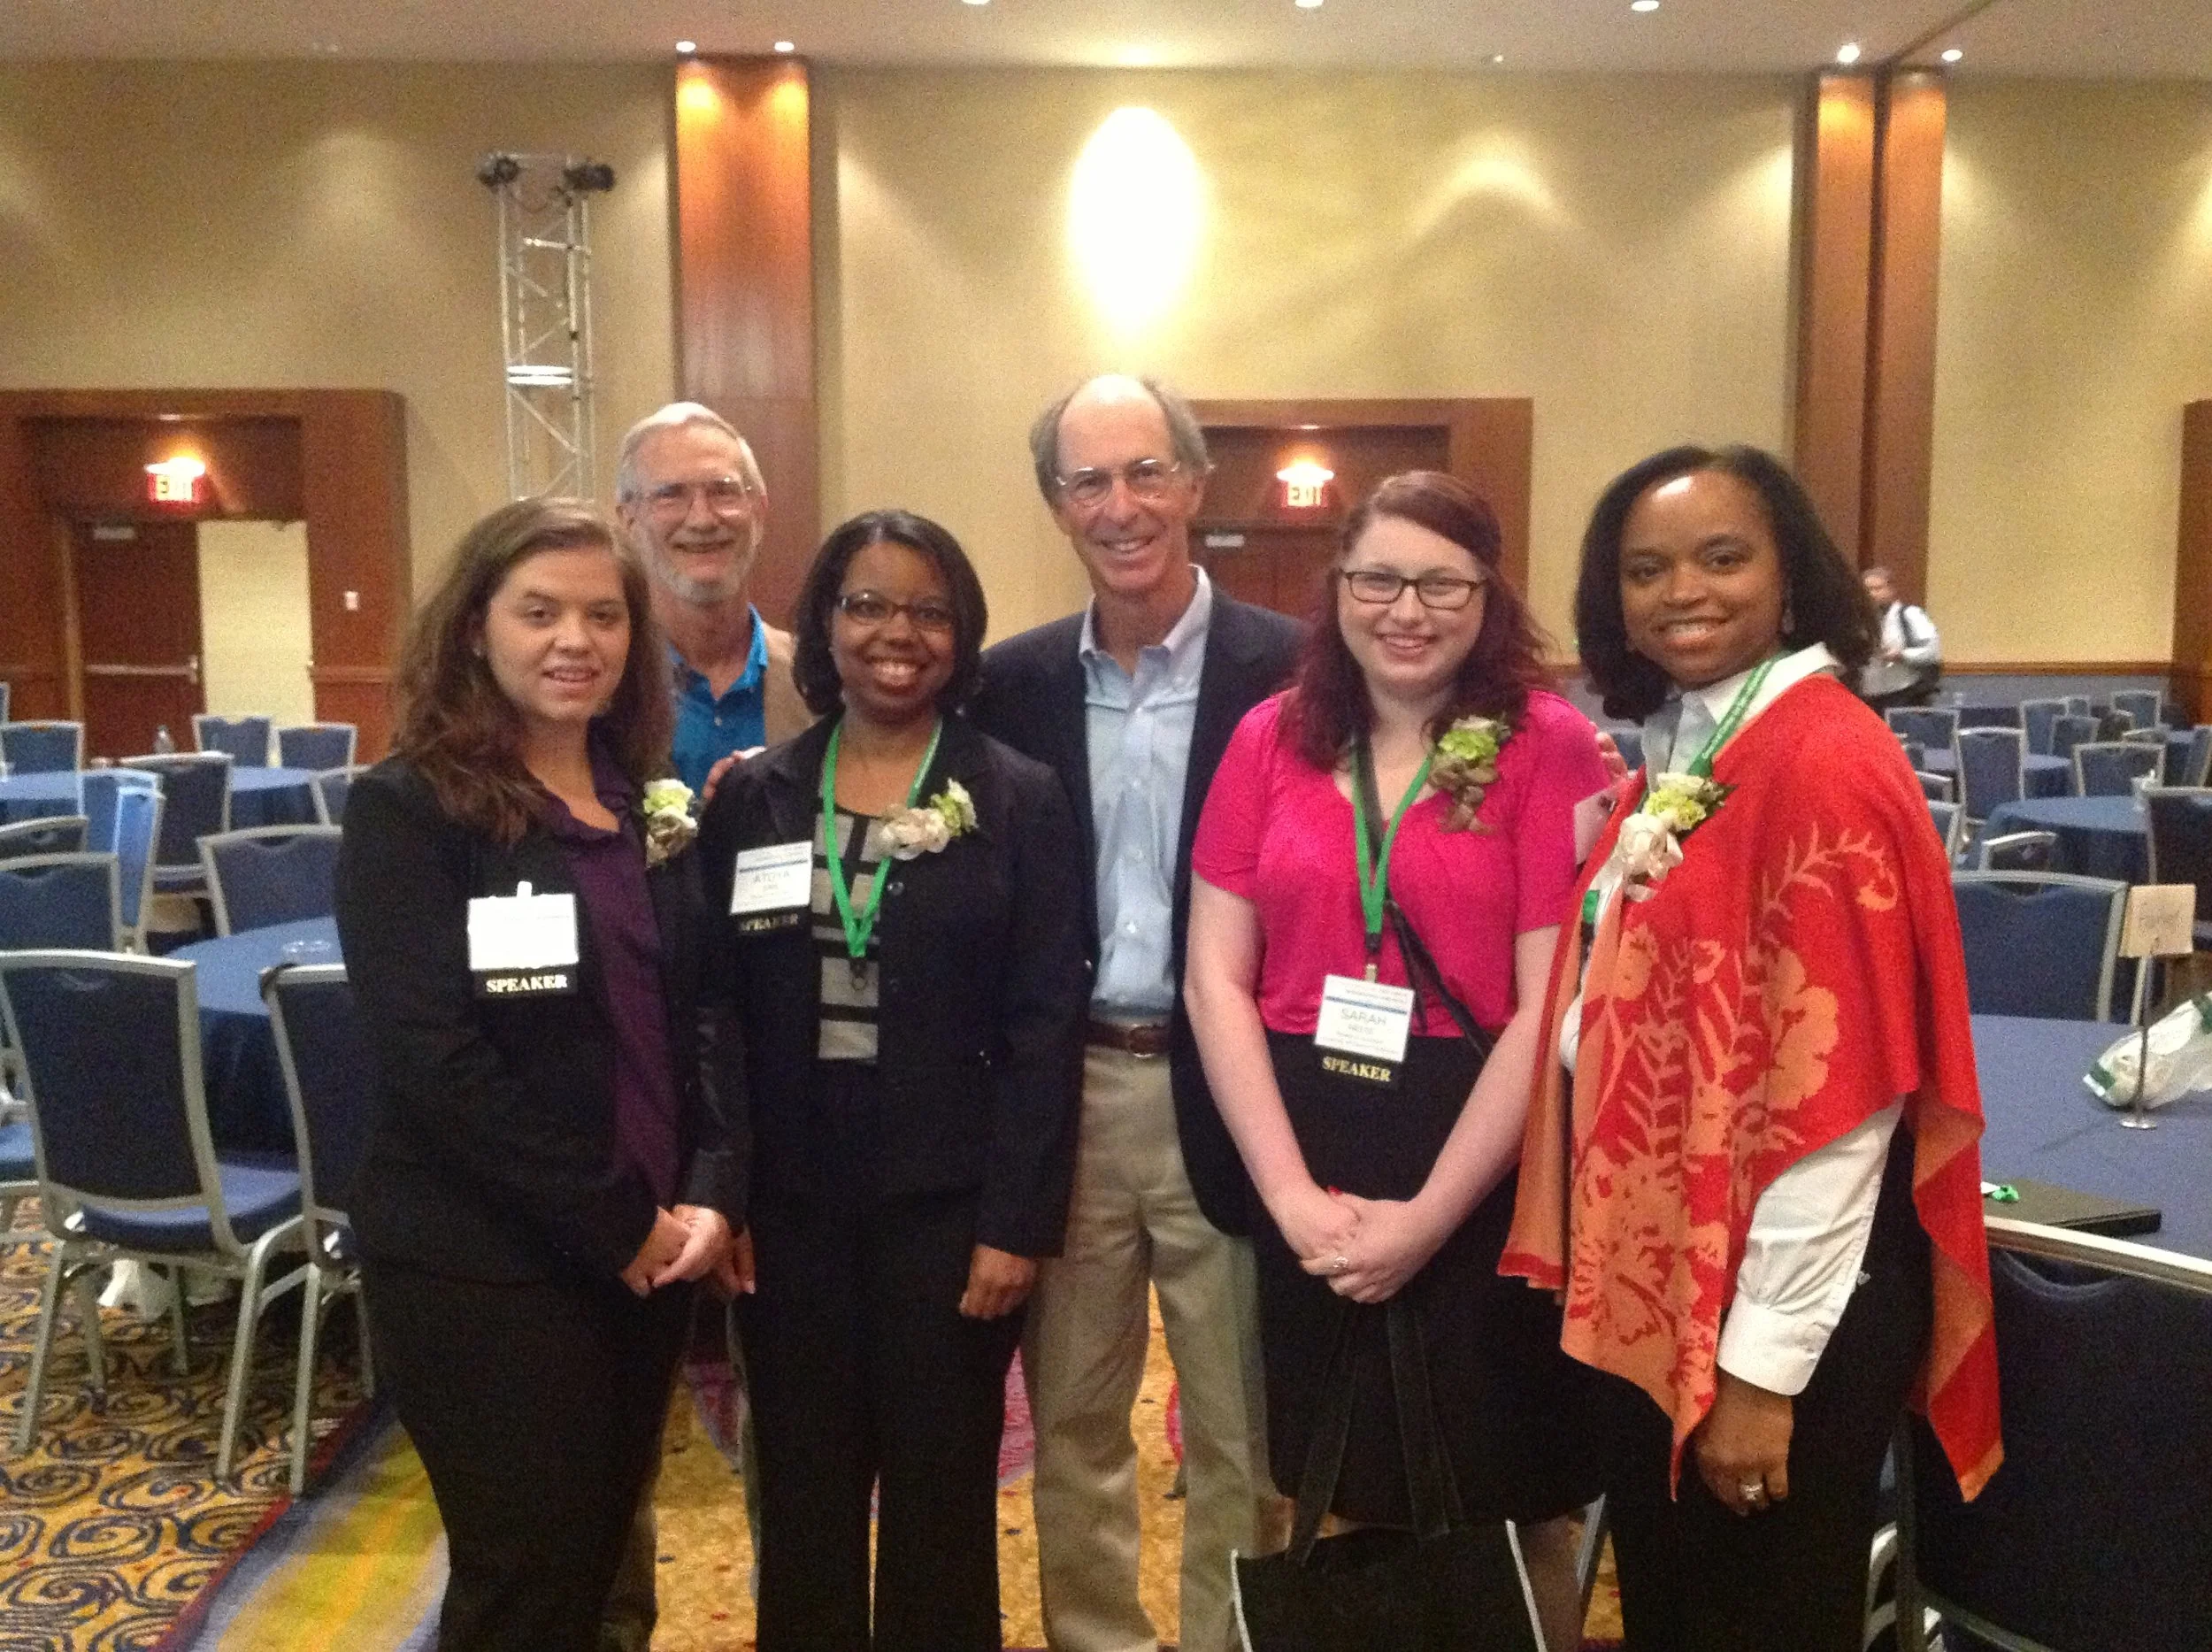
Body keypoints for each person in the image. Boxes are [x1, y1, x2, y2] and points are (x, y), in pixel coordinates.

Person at [1503, 446, 2003, 1652]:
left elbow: (1839, 1104)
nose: (1684, 589)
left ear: (1791, 576)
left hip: (1780, 1305)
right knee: (1682, 1610)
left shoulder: (1822, 761)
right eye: (1647, 567)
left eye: (1723, 556)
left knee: (1758, 1619)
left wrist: (1762, 1373)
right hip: (1680, 1266)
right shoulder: (1701, 742)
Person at [1183, 471, 1609, 1652]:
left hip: (1478, 1152)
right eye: (1378, 577)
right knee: (1324, 1475)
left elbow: (1547, 1003)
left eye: (1442, 582)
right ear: (1339, 587)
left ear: (1489, 595)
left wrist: (1425, 1217)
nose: (1406, 608)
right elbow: (1216, 975)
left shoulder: (1546, 746)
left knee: (1501, 1475)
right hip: (1304, 1134)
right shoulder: (1273, 737)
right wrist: (1283, 1194)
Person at [334, 497, 741, 1652]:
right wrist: (615, 1220)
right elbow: (436, 1061)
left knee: (600, 1556)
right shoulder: (410, 808)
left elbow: (700, 1011)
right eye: (540, 610)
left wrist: (709, 1182)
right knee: (525, 1581)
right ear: (476, 628)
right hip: (491, 1266)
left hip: (645, 1255)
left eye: (604, 614)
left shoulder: (640, 800)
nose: (576, 639)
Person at [699, 509, 1088, 1651]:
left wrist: (1016, 1220)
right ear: (825, 622)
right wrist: (722, 1191)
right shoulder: (756, 794)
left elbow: (1042, 1019)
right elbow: (713, 1004)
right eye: (866, 602)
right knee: (803, 1488)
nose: (895, 630)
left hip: (950, 1210)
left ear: (962, 633)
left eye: (927, 608)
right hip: (788, 1211)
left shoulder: (1016, 794)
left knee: (940, 1492)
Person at [967, 373, 1302, 1652]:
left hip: (1235, 1089)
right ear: (1055, 503)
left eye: (1146, 472)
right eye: (1088, 480)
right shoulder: (1010, 683)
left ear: (1195, 482)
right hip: (1069, 1095)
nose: (1122, 506)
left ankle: (1228, 1640)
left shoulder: (1295, 667)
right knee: (1076, 1422)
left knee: (1238, 1428)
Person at [615, 401, 810, 792]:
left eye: (723, 492)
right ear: (627, 518)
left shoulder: (817, 680)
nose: (702, 519)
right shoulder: (602, 685)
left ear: (759, 508)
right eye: (670, 495)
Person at [1858, 565, 1942, 710]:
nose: (1872, 594)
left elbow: (1932, 651)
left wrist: (1901, 655)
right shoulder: (1858, 621)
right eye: (1867, 590)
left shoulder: (1910, 615)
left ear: (1891, 590)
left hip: (1903, 695)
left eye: (1877, 588)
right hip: (1867, 695)